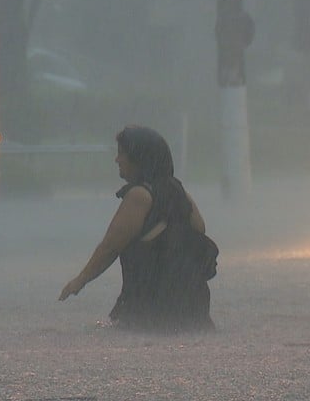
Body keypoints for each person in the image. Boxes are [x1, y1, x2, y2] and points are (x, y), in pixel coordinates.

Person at [58, 125, 215, 333]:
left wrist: (80, 280)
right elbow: (199, 230)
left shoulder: (139, 196)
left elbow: (110, 248)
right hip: (192, 306)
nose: (117, 160)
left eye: (122, 153)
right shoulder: (179, 191)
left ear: (139, 158)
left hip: (149, 308)